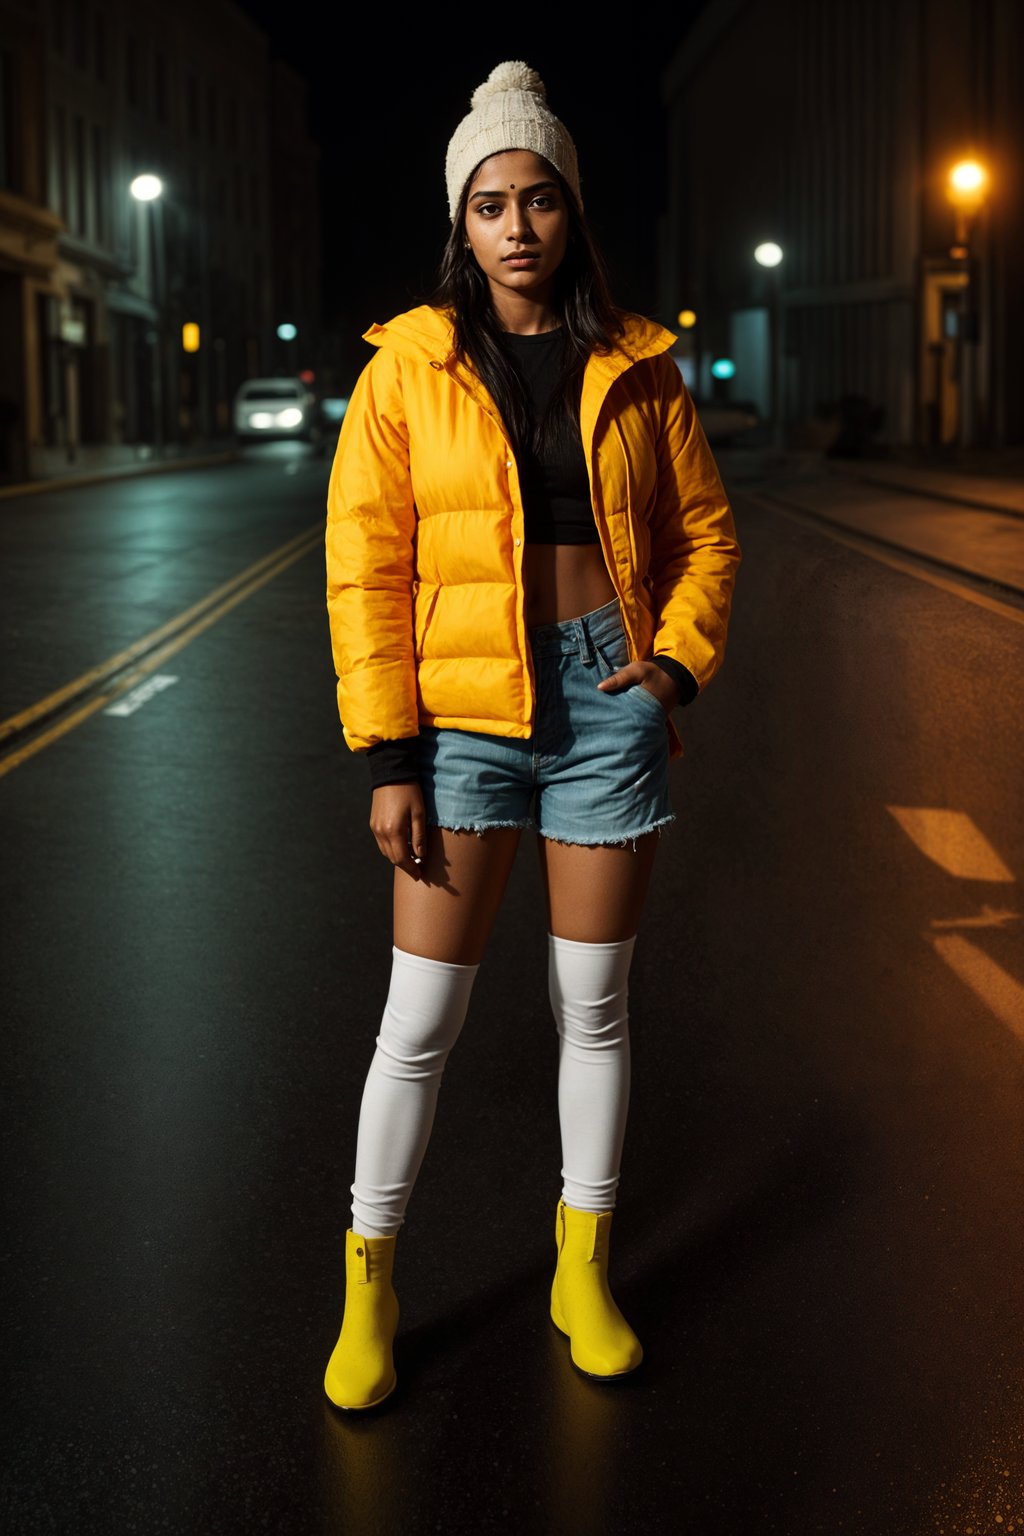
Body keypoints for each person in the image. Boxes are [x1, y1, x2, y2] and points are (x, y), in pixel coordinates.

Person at [323, 60, 741, 1411]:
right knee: (421, 1020)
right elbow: (364, 566)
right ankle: (371, 1285)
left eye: (540, 199)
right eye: (491, 203)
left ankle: (582, 1269)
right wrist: (391, 753)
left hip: (605, 706)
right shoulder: (407, 372)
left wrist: (671, 669)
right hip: (460, 718)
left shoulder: (643, 364)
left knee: (593, 1010)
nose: (516, 225)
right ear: (462, 222)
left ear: (571, 213)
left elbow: (705, 541)